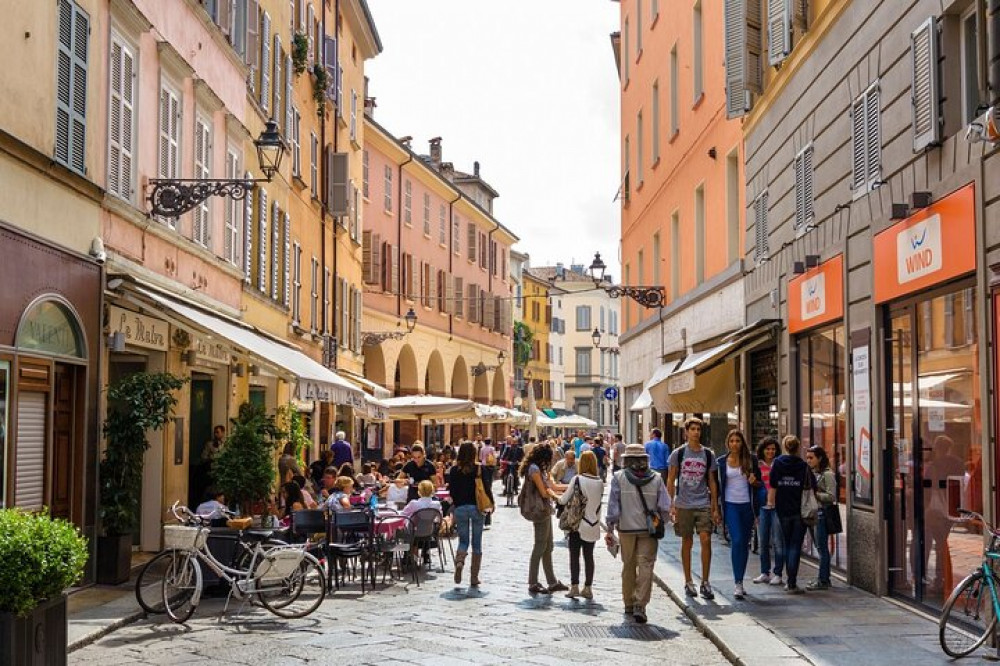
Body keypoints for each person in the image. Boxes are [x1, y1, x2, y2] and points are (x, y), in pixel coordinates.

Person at [605, 444, 671, 624]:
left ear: (626, 460)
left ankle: (628, 602)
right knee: (646, 566)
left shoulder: (618, 477)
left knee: (628, 565)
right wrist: (660, 522)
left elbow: (613, 506)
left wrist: (610, 527)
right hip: (648, 530)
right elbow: (665, 506)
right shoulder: (656, 478)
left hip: (626, 529)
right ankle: (640, 605)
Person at [666, 417, 720, 600]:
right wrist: (670, 504)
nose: (696, 432)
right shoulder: (678, 453)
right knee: (686, 541)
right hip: (683, 503)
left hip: (703, 502)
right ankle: (688, 581)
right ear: (686, 432)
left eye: (699, 429)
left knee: (706, 539)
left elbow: (712, 481)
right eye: (693, 429)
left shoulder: (708, 454)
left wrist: (715, 507)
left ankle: (705, 582)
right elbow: (671, 479)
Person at [716, 430, 760, 600]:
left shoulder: (751, 460)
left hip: (747, 506)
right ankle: (738, 583)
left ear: (742, 443)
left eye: (738, 441)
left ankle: (740, 579)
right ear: (728, 443)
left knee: (745, 543)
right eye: (732, 441)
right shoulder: (721, 462)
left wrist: (753, 481)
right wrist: (716, 509)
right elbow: (716, 487)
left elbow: (759, 484)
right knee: (738, 540)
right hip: (731, 505)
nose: (735, 444)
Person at [520, 443, 568, 595]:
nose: (553, 458)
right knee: (540, 545)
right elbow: (544, 491)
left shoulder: (540, 469)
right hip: (539, 510)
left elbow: (552, 487)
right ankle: (533, 582)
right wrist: (559, 498)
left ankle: (552, 581)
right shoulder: (534, 469)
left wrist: (571, 486)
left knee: (548, 546)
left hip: (545, 509)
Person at [767, 435, 811, 594]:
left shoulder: (778, 463)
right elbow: (811, 486)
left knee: (786, 544)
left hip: (782, 509)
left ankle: (788, 580)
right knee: (795, 546)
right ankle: (791, 582)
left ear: (785, 447)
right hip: (800, 511)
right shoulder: (803, 465)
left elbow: (772, 485)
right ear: (798, 448)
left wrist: (770, 503)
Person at [558, 450, 604, 600]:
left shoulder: (577, 479)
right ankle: (588, 588)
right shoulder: (600, 482)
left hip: (577, 524)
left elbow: (564, 500)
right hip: (593, 524)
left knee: (574, 556)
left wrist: (553, 495)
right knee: (589, 557)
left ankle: (575, 587)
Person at [449, 441, 494, 586]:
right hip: (477, 508)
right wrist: (492, 503)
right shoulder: (479, 469)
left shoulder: (454, 469)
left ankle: (460, 562)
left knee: (463, 541)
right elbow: (486, 488)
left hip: (461, 508)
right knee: (477, 543)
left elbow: (452, 491)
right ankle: (474, 577)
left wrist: (456, 505)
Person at [752, 437, 785, 586]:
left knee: (778, 542)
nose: (770, 451)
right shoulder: (757, 465)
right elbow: (755, 485)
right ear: (762, 450)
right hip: (762, 508)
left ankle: (778, 573)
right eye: (767, 449)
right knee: (763, 541)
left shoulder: (780, 464)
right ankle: (765, 572)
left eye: (773, 449)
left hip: (777, 507)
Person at [805, 445, 836, 591]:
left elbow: (831, 496)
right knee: (819, 547)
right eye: (807, 457)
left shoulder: (827, 474)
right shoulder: (811, 473)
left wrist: (815, 495)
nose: (808, 460)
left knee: (822, 548)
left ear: (820, 458)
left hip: (822, 514)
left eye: (811, 458)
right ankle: (822, 578)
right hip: (813, 513)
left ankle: (824, 579)